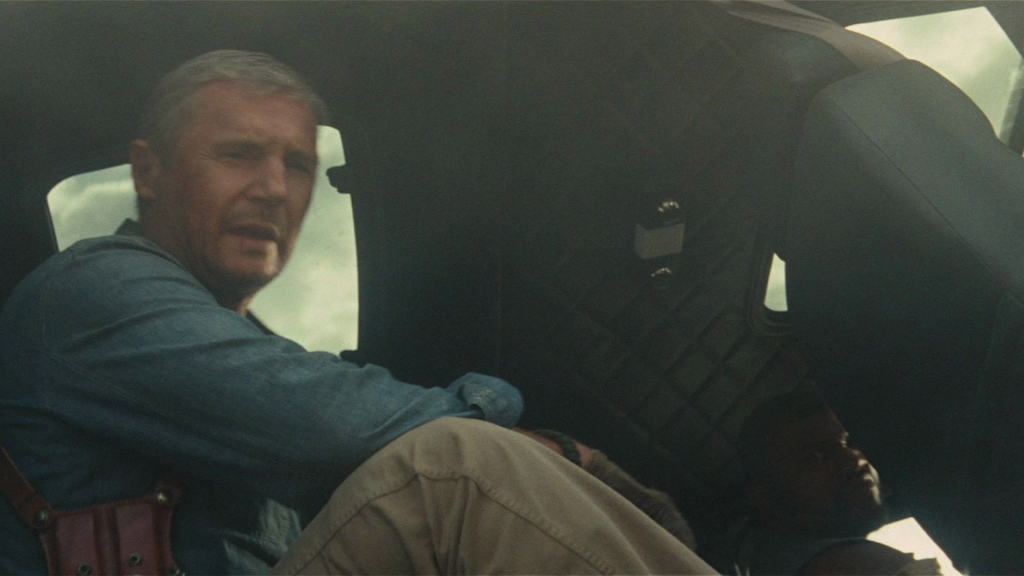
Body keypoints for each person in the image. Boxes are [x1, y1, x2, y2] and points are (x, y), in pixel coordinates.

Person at [0, 50, 713, 575]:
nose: (274, 189)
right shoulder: (92, 292)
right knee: (452, 470)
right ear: (148, 172)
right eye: (239, 155)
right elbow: (329, 424)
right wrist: (558, 450)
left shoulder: (241, 337)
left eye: (297, 165)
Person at [731, 389, 941, 575]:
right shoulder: (853, 565)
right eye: (815, 455)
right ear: (766, 498)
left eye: (849, 442)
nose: (853, 459)